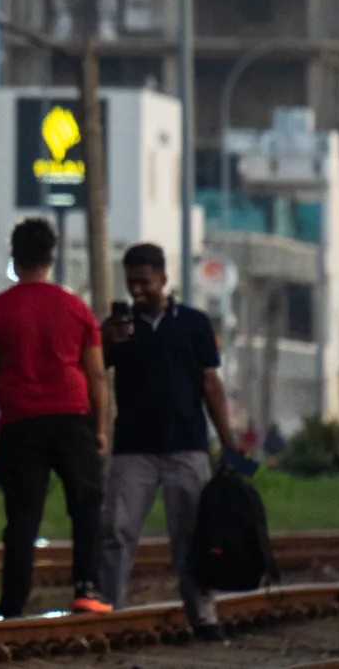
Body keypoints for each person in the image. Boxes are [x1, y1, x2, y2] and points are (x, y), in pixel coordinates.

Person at [98, 242, 242, 641]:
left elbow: (210, 383)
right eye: (131, 283)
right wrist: (108, 338)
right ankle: (111, 615)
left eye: (144, 282)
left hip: (187, 445)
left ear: (163, 278)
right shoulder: (119, 327)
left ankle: (203, 614)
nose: (138, 290)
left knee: (192, 536)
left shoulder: (194, 324)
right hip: (133, 448)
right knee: (116, 530)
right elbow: (93, 368)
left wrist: (228, 439)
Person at [0, 217, 110, 619]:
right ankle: (86, 590)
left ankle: (12, 604)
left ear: (15, 257)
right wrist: (98, 429)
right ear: (52, 257)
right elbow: (97, 374)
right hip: (72, 418)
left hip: (20, 424)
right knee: (86, 506)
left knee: (22, 515)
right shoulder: (76, 309)